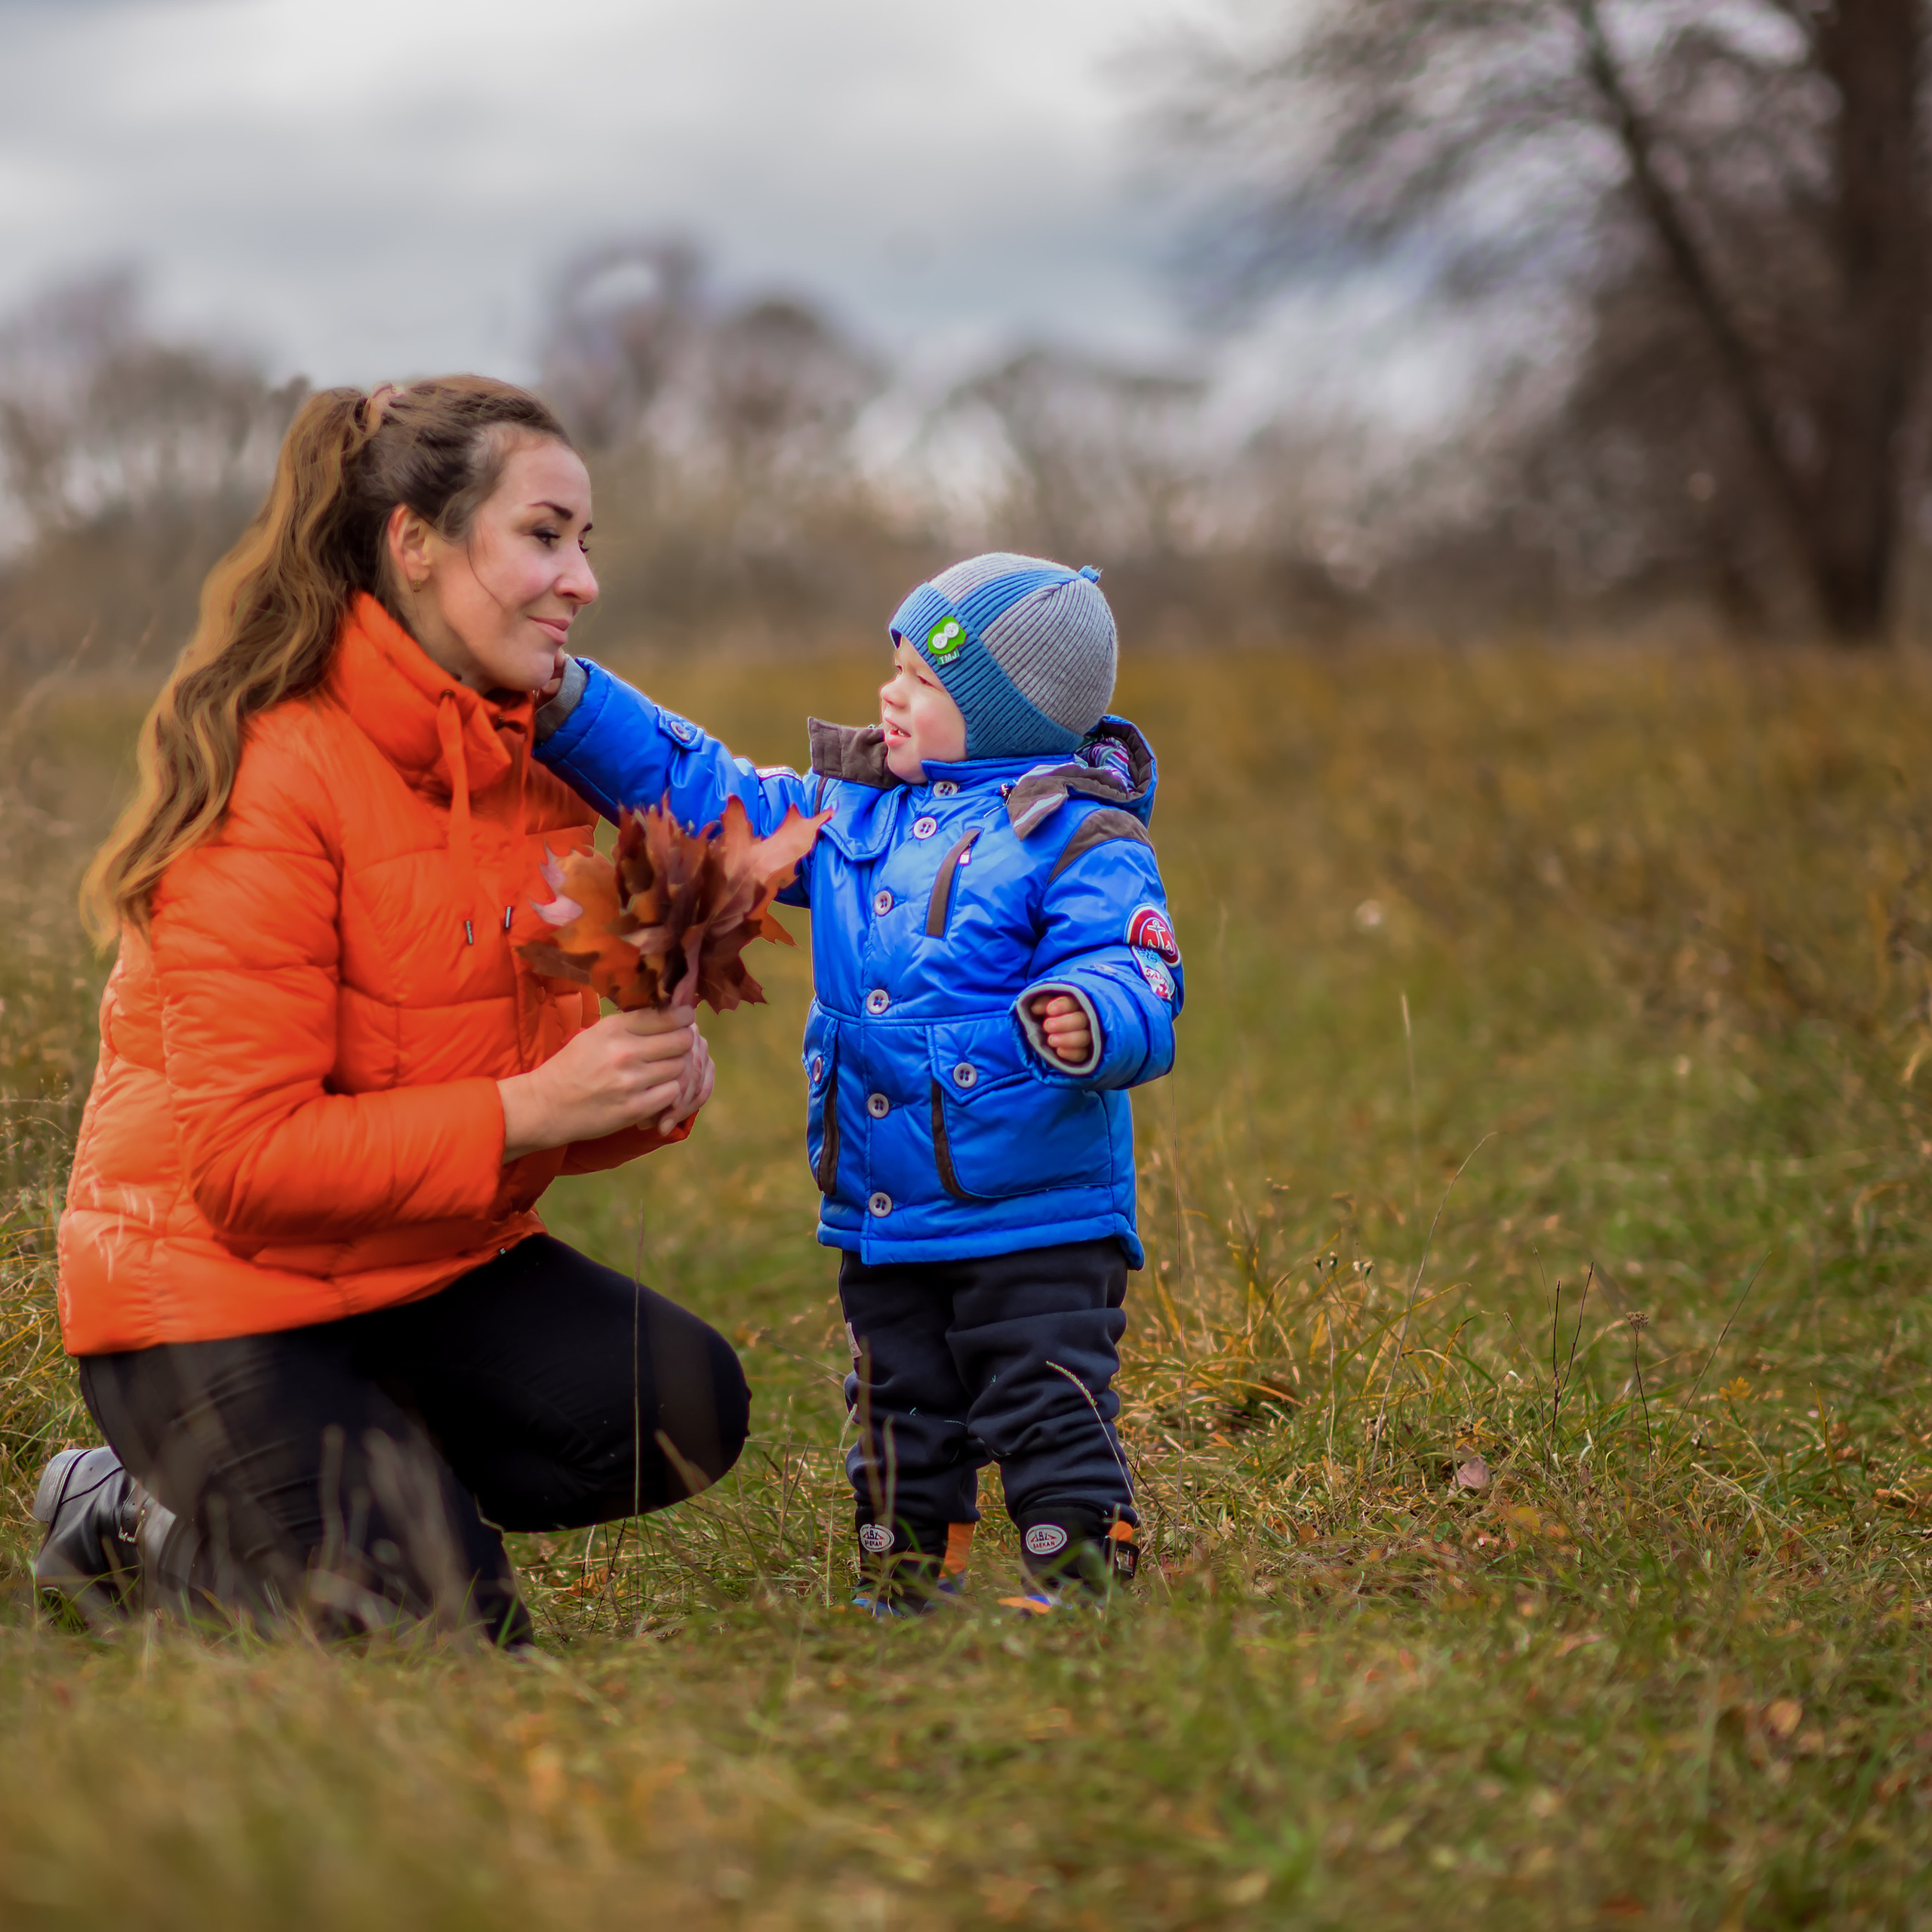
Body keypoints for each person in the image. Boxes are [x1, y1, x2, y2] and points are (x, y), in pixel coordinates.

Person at [32, 377, 747, 1644]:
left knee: (687, 1409)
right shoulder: (271, 777)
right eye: (542, 535)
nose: (580, 579)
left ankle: (323, 1487)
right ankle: (145, 1515)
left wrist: (632, 1093)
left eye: (586, 543)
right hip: (210, 1298)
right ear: (414, 544)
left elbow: (489, 1092)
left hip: (419, 1268)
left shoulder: (528, 761)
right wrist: (536, 1105)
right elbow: (250, 1169)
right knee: (441, 1649)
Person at [534, 552, 1183, 1612]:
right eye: (894, 665)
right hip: (885, 1201)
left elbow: (1136, 963)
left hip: (1036, 1210)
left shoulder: (1076, 834)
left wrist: (1095, 1016)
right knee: (897, 1400)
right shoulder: (853, 818)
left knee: (1041, 1392)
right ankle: (909, 1584)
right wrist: (569, 706)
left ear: (1004, 712)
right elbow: (710, 794)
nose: (890, 692)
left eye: (923, 681)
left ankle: (1078, 1579)